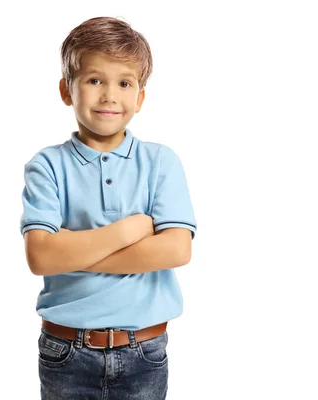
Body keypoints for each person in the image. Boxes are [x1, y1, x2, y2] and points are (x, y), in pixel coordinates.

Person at [20, 16, 197, 400]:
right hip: (65, 351)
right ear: (67, 90)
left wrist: (70, 252)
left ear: (140, 97)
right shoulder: (47, 166)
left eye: (124, 82)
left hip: (144, 349)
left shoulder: (160, 162)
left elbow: (176, 249)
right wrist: (129, 231)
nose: (109, 95)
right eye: (94, 80)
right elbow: (40, 257)